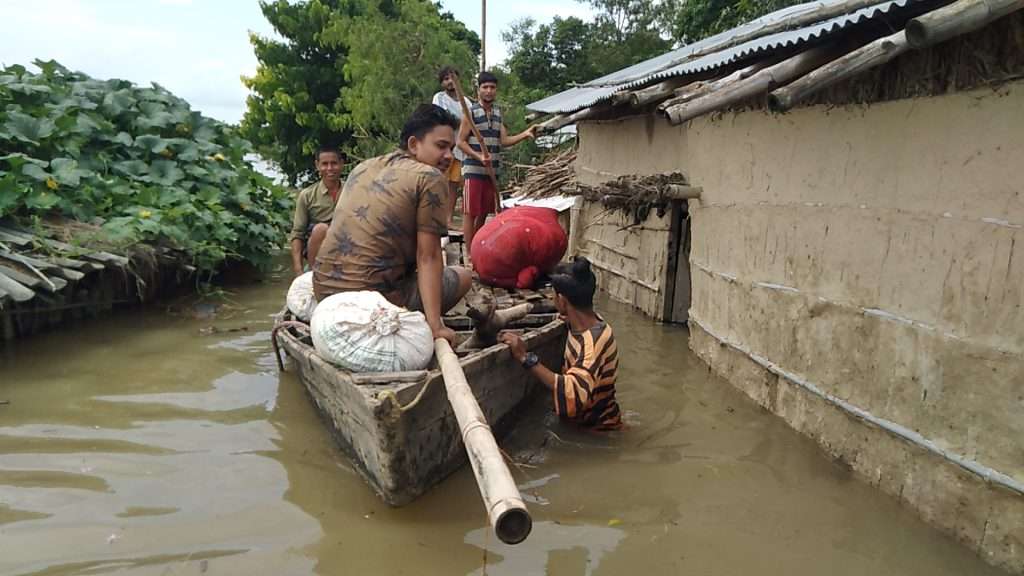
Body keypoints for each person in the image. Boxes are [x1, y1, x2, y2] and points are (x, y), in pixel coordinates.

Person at [313, 104, 474, 343]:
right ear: (413, 144)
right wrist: (435, 326)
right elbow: (428, 257)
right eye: (441, 146)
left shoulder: (362, 167)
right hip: (376, 302)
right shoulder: (430, 177)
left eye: (451, 148)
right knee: (464, 276)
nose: (449, 156)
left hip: (324, 294)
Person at [499, 257, 622, 430]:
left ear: (562, 300)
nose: (552, 299)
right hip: (591, 420)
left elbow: (573, 392)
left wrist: (525, 357)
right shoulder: (591, 321)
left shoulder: (592, 344)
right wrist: (567, 316)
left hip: (596, 430)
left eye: (553, 295)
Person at [457, 71, 536, 260]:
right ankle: (469, 254)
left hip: (492, 171)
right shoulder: (470, 113)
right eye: (485, 87)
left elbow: (504, 140)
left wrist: (525, 134)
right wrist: (478, 155)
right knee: (470, 212)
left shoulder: (498, 113)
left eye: (492, 87)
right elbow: (460, 141)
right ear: (479, 90)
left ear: (496, 90)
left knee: (484, 212)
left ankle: (477, 247)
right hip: (474, 170)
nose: (489, 91)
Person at [289, 146, 345, 276]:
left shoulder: (352, 190)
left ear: (341, 164)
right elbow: (297, 234)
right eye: (325, 164)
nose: (330, 168)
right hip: (318, 247)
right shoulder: (307, 195)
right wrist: (298, 270)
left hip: (346, 243)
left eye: (334, 163)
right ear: (317, 165)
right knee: (320, 229)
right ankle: (315, 275)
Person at [431, 66, 474, 228]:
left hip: (459, 150)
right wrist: (459, 123)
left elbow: (470, 123)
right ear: (442, 83)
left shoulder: (466, 102)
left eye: (453, 78)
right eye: (446, 79)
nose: (450, 82)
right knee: (437, 181)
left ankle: (448, 219)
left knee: (453, 185)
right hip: (442, 148)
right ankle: (435, 217)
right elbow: (442, 117)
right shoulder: (440, 98)